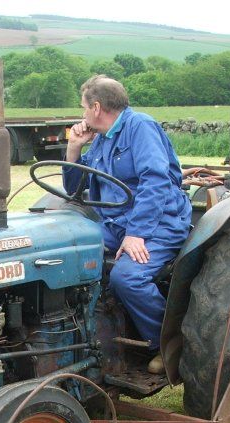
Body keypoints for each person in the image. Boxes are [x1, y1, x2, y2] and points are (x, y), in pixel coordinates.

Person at [63, 75, 192, 374]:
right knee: (69, 251)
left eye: (83, 107)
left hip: (161, 223)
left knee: (127, 277)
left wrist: (137, 234)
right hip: (114, 224)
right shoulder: (101, 140)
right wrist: (74, 149)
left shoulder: (140, 127)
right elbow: (73, 189)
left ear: (96, 107)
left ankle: (169, 344)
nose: (81, 114)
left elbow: (156, 182)